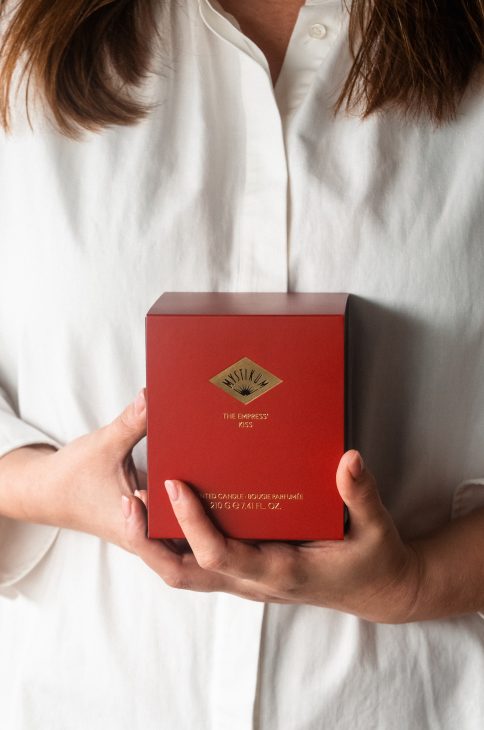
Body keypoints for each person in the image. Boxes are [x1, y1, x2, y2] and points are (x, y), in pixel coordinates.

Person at [1, 0, 484, 727]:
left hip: (412, 703)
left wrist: (417, 583)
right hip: (81, 697)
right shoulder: (14, 39)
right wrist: (39, 485)